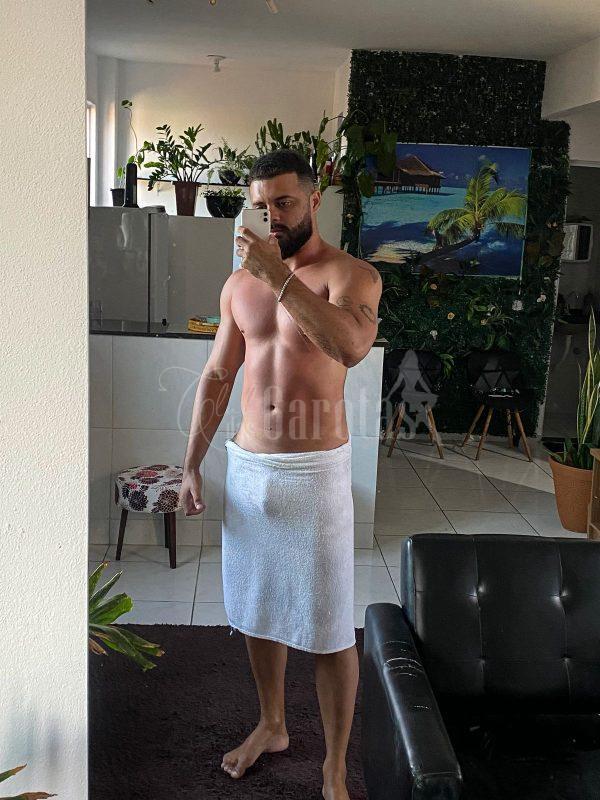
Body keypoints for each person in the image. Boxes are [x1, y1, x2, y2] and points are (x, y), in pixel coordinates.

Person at [179, 148, 381, 800]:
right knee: (258, 610)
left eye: (285, 202)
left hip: (315, 475)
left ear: (315, 200)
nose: (273, 217)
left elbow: (349, 345)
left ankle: (334, 767)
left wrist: (280, 278)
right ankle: (272, 725)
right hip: (249, 470)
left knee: (328, 628)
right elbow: (218, 374)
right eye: (262, 206)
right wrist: (191, 465)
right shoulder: (239, 286)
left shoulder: (351, 276)